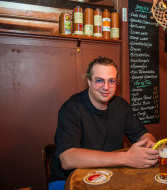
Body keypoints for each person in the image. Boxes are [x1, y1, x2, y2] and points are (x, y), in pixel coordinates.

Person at [49, 56, 158, 190]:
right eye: (99, 80)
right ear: (89, 81)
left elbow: (143, 134)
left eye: (111, 81)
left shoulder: (121, 106)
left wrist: (148, 146)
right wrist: (126, 158)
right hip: (66, 179)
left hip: (108, 174)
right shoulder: (71, 108)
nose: (106, 87)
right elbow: (67, 159)